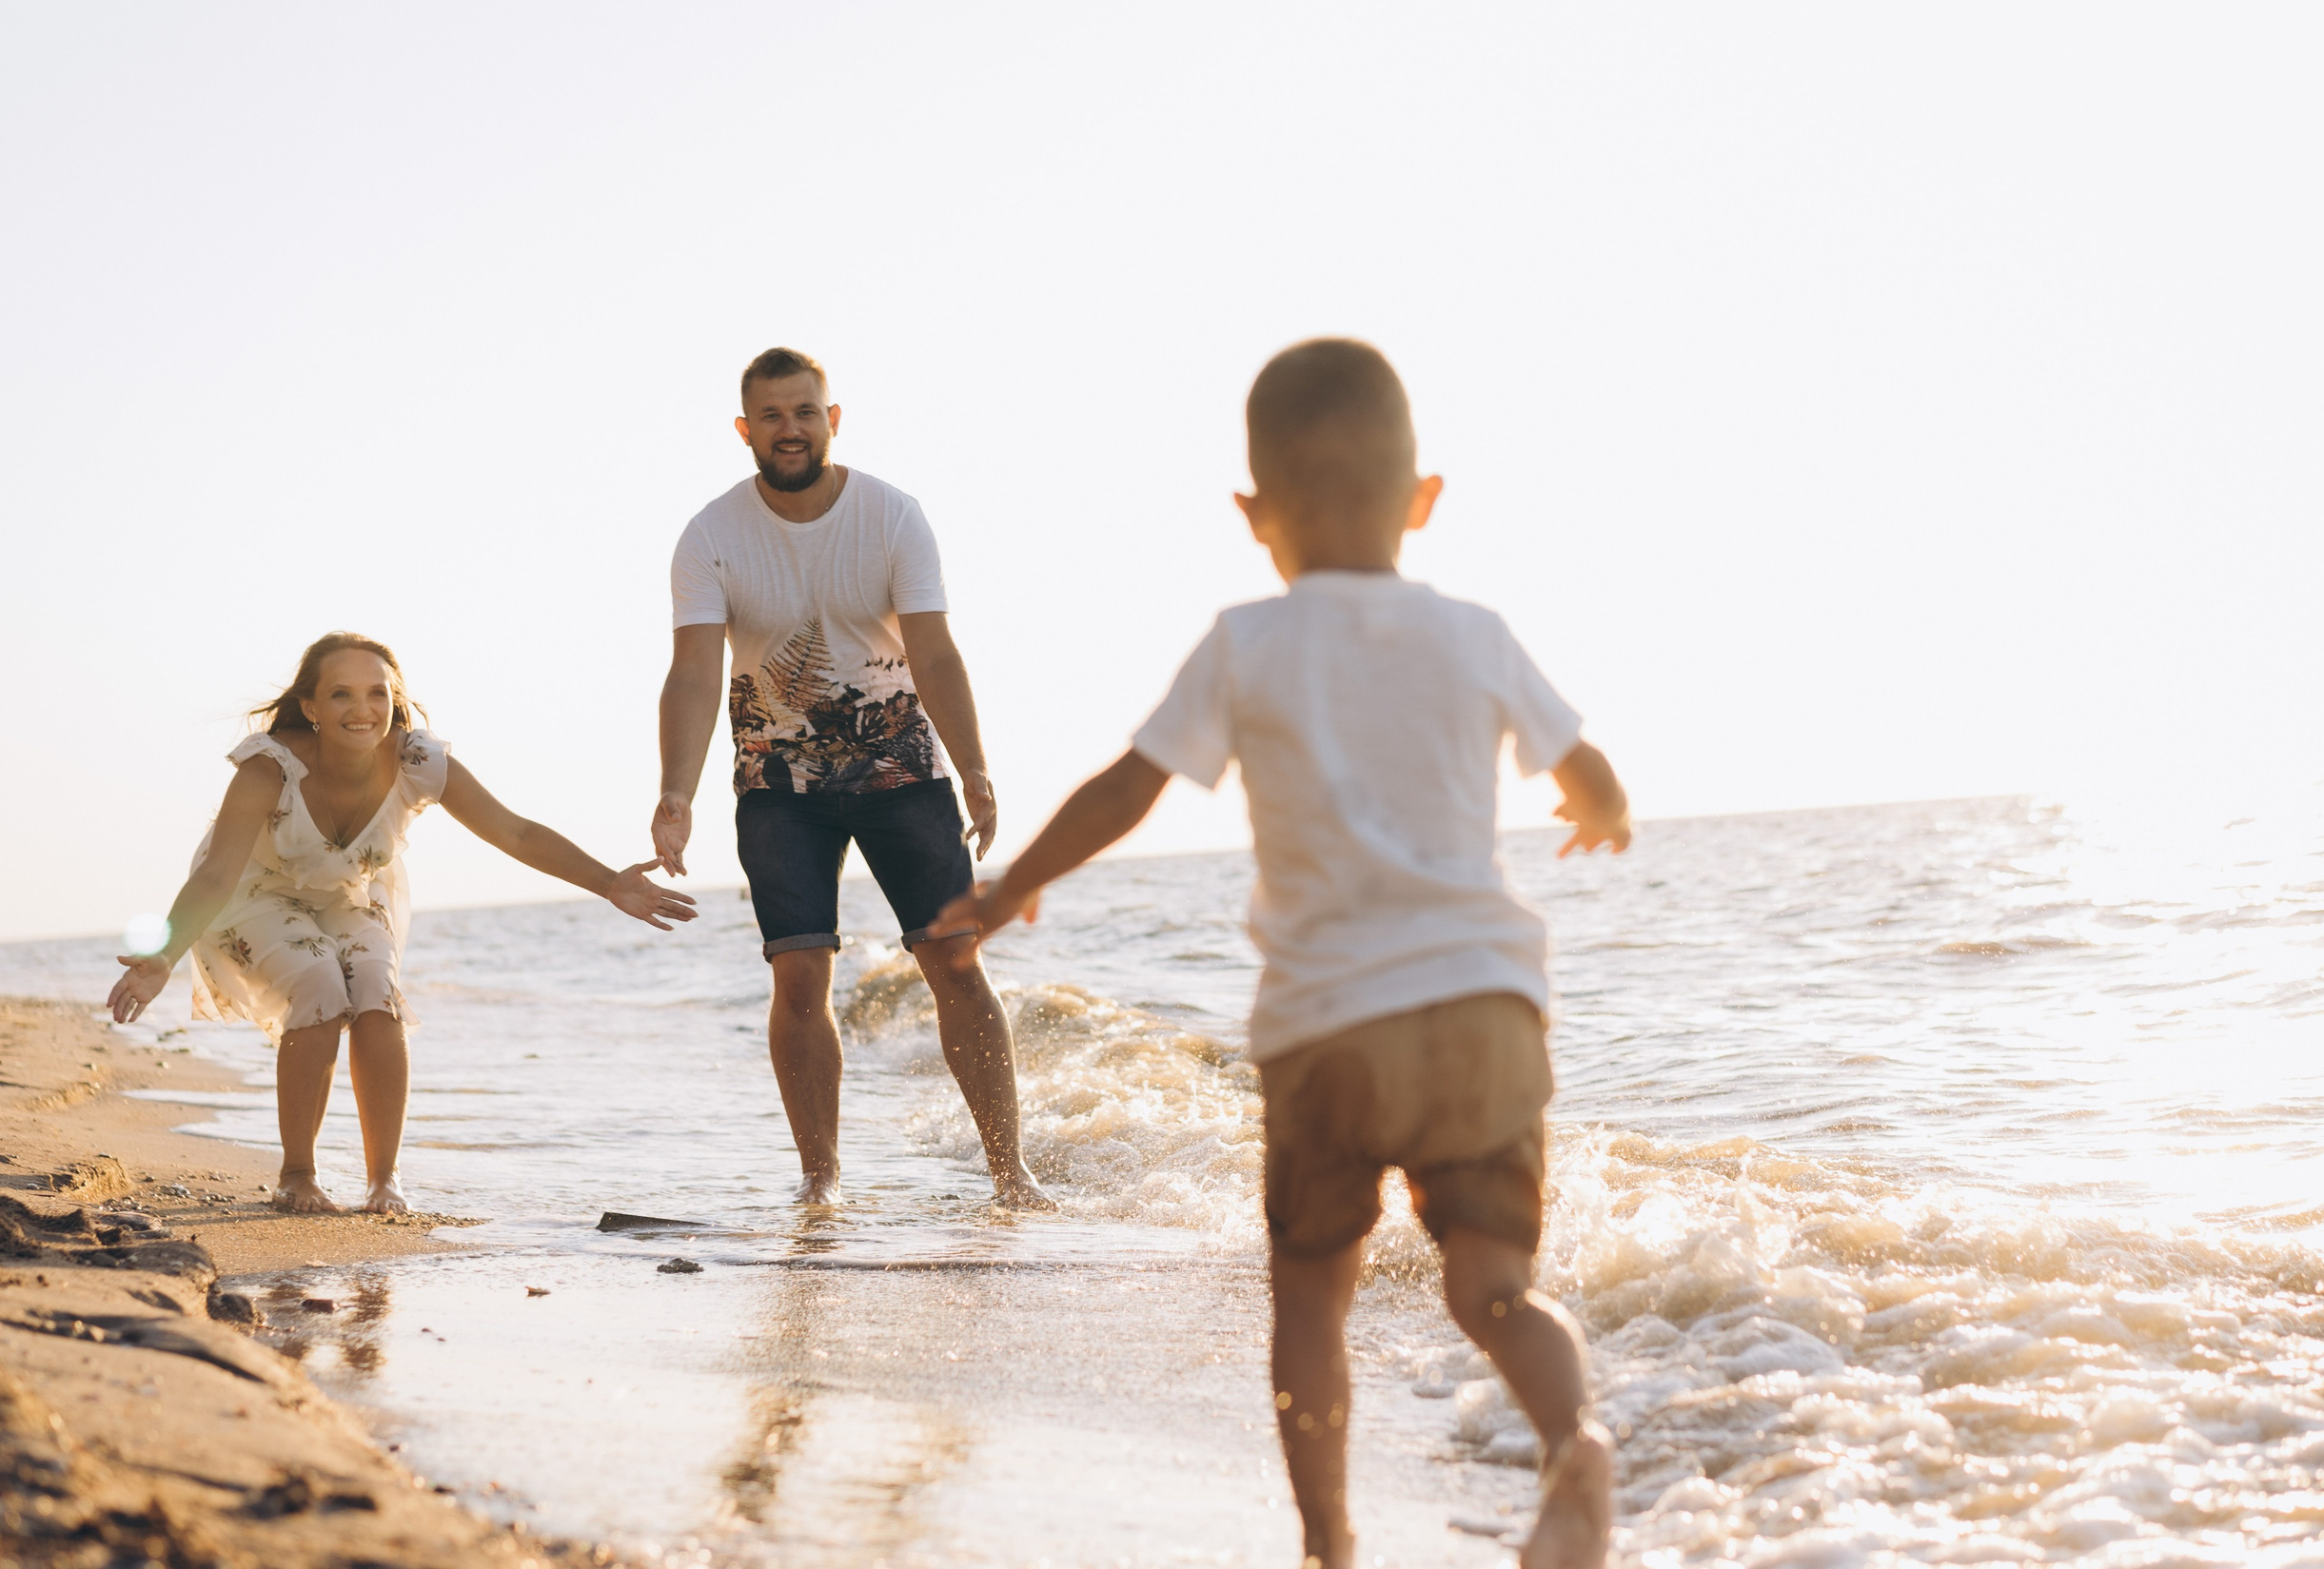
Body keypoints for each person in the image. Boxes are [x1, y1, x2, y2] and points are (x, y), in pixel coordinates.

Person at [938, 339, 1632, 1568]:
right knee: (1493, 1289)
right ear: (1422, 499)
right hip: (1484, 1006)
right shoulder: (1476, 633)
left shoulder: (1248, 640)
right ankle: (1576, 1443)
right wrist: (1601, 808)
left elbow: (1129, 786)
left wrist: (1011, 887)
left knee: (1313, 1290)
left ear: (1254, 513)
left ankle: (1328, 1544)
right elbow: (1585, 765)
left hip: (1328, 1025)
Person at [651, 346, 1050, 1209]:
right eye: (770, 415)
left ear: (833, 419)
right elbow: (691, 673)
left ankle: (1009, 1173)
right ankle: (821, 1180)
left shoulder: (892, 515)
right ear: (744, 428)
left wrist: (974, 765)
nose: (788, 429)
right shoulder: (711, 535)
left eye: (804, 412)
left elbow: (934, 650)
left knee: (953, 956)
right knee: (798, 974)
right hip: (775, 781)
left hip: (898, 764)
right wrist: (674, 791)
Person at [108, 632, 697, 1215]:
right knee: (316, 980)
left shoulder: (418, 760)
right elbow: (215, 876)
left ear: (394, 700)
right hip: (250, 895)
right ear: (311, 707)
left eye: (376, 694)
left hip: (345, 893)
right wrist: (163, 954)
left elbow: (514, 832)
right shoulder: (271, 768)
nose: (362, 710)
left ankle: (383, 1181)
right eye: (341, 695)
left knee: (372, 985)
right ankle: (297, 1174)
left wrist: (609, 883)